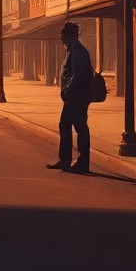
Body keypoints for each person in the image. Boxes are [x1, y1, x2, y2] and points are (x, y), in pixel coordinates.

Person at [47, 21, 93, 174]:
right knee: (66, 125)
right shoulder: (71, 50)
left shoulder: (78, 52)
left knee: (78, 127)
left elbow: (78, 75)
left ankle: (81, 162)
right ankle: (66, 160)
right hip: (73, 96)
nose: (61, 37)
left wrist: (67, 88)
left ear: (72, 35)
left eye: (63, 34)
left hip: (77, 97)